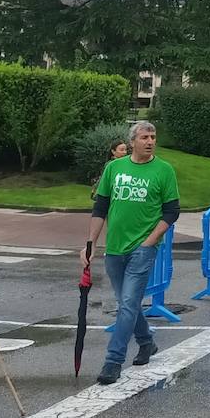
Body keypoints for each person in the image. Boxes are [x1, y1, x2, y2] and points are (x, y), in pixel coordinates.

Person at [83, 121, 180, 385]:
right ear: (133, 141)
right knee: (129, 302)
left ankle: (113, 360)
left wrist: (150, 241)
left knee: (126, 304)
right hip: (115, 247)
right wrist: (90, 243)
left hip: (143, 248)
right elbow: (100, 207)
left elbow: (172, 211)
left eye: (153, 137)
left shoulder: (163, 170)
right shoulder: (114, 169)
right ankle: (147, 342)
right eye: (145, 137)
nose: (150, 141)